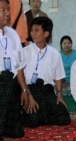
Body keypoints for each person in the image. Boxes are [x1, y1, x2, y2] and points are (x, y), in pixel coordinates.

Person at [22, 17, 70, 128]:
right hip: (30, 90)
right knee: (33, 122)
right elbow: (21, 77)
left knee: (64, 119)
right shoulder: (25, 51)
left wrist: (59, 95)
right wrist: (28, 95)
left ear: (46, 33)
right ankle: (35, 116)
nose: (33, 33)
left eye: (37, 30)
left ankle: (42, 116)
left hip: (47, 90)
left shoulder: (54, 53)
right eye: (32, 30)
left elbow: (58, 77)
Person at [0, 0, 29, 138]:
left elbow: (19, 66)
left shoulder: (12, 34)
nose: (7, 14)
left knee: (16, 133)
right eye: (2, 10)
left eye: (8, 9)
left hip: (11, 84)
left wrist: (24, 89)